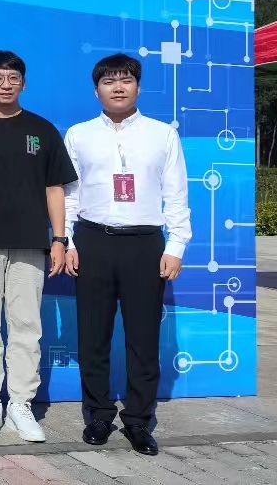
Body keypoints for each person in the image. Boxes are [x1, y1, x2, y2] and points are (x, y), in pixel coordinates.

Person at [63, 53, 190, 457]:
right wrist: (67, 242)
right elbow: (70, 195)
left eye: (126, 80)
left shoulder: (162, 135)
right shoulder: (79, 135)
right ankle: (98, 414)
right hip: (93, 241)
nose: (118, 87)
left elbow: (176, 194)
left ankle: (138, 419)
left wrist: (176, 245)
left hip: (144, 243)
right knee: (92, 336)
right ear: (96, 89)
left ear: (138, 86)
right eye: (109, 81)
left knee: (143, 337)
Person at [0, 50, 78, 442]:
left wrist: (59, 239)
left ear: (23, 83)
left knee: (26, 326)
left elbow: (55, 188)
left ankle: (21, 404)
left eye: (13, 78)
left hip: (30, 242)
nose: (5, 85)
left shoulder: (42, 130)